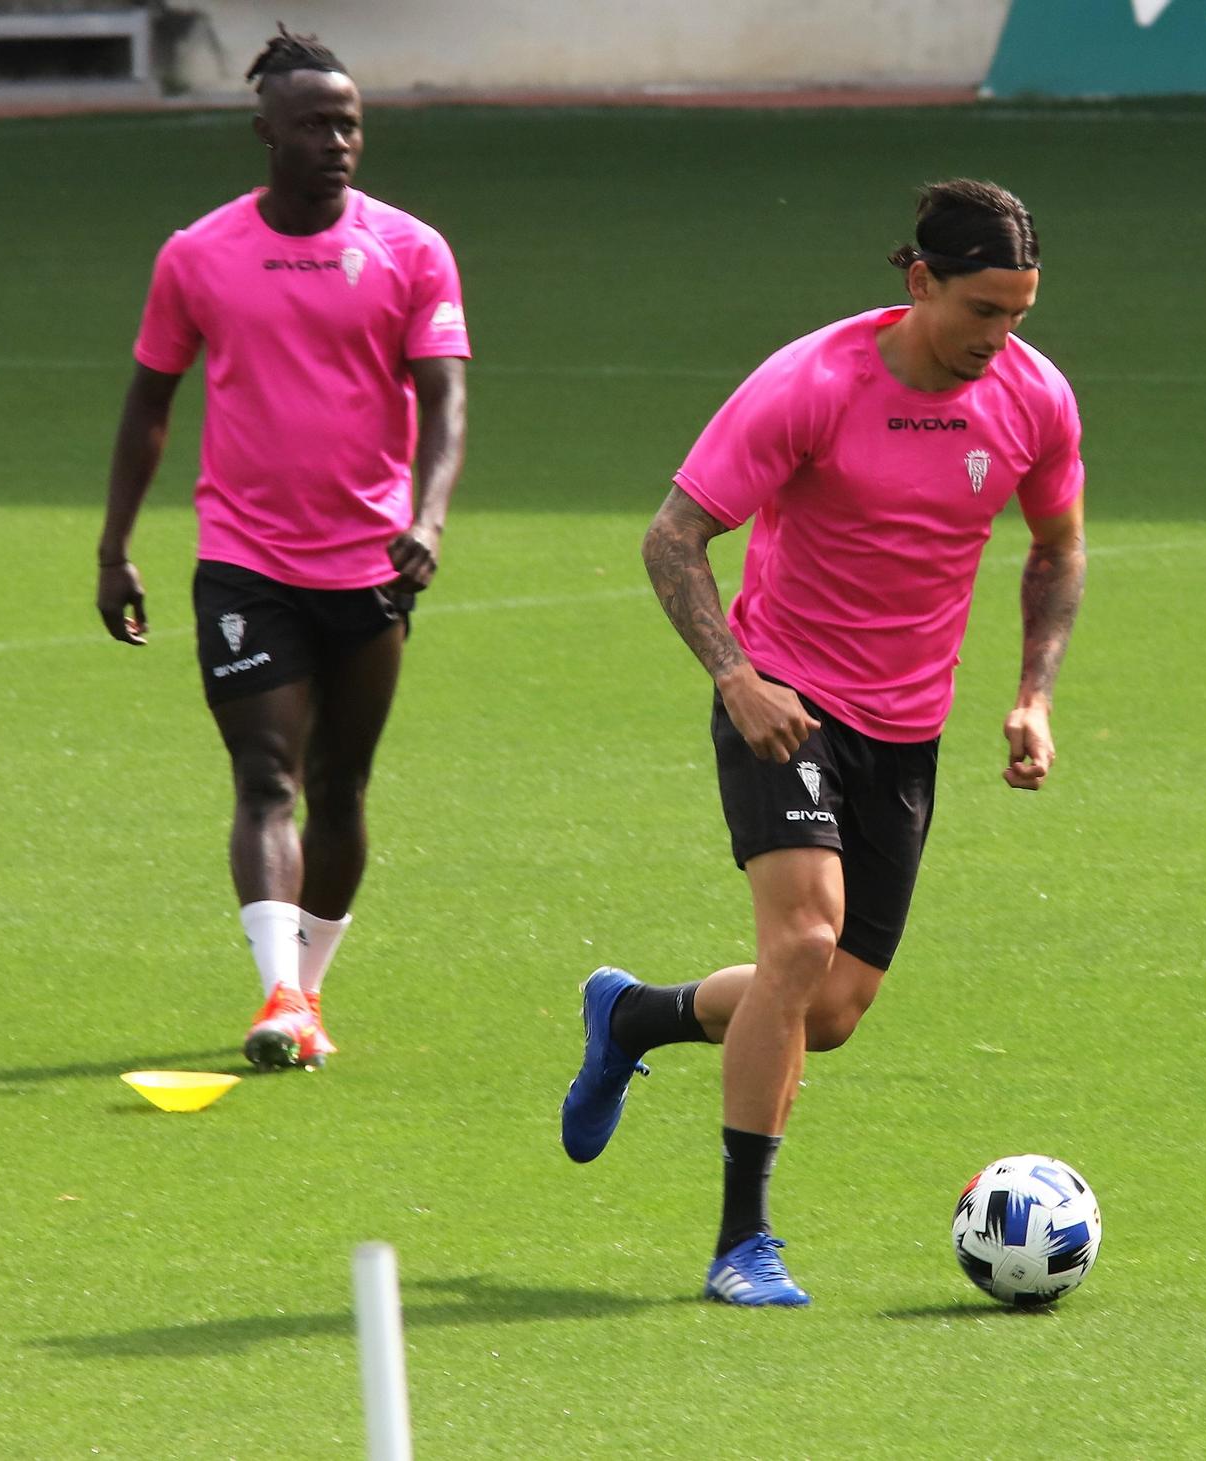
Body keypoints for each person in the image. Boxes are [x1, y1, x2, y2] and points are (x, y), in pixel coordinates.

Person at [561, 179, 1087, 1306]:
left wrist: (1033, 695)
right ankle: (741, 1245)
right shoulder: (809, 385)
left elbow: (1054, 551)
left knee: (832, 1010)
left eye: (1020, 315)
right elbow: (674, 538)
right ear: (918, 283)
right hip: (786, 702)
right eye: (982, 311)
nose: (1000, 340)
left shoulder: (1034, 401)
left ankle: (635, 1014)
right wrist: (735, 678)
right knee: (800, 946)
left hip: (906, 730)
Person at [94, 26, 469, 1070]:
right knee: (266, 774)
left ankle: (303, 996)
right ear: (265, 132)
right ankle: (275, 989)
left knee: (342, 786)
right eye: (313, 125)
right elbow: (149, 402)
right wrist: (113, 547)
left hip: (372, 562)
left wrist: (426, 519)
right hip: (243, 560)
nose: (336, 141)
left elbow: (444, 402)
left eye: (348, 123)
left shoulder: (410, 250)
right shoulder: (198, 254)